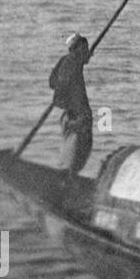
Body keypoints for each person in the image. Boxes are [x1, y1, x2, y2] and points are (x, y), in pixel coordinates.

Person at [49, 33, 93, 174]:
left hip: (67, 114)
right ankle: (68, 179)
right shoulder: (75, 61)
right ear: (78, 50)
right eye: (85, 49)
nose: (89, 53)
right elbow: (84, 59)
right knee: (79, 151)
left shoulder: (64, 60)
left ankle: (66, 174)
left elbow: (52, 82)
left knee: (70, 150)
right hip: (80, 116)